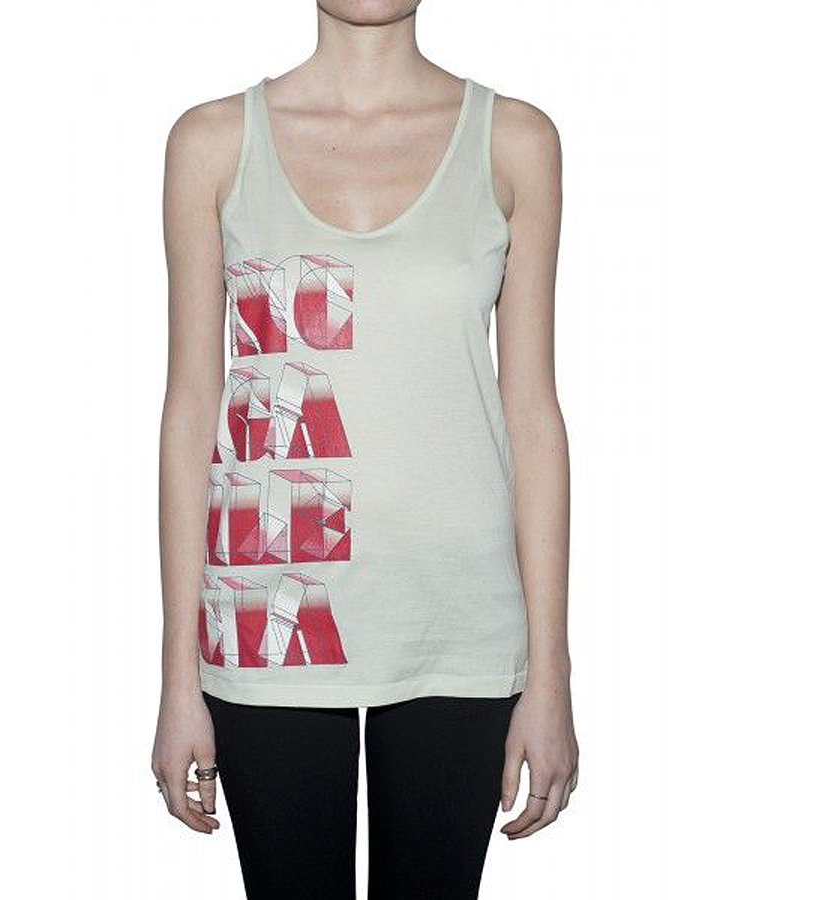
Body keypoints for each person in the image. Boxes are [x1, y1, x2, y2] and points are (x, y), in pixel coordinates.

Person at [152, 2, 578, 897]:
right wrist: (176, 676)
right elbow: (192, 410)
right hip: (269, 618)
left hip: (457, 618)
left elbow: (532, 413)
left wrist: (551, 673)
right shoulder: (213, 144)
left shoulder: (515, 143)